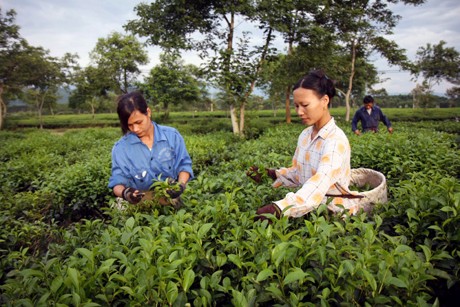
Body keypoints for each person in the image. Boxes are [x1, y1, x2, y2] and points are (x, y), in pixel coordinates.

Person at [248, 70, 363, 221]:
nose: (299, 112)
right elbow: (299, 174)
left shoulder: (335, 141)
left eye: (305, 105)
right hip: (307, 212)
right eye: (296, 106)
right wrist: (271, 174)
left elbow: (319, 183)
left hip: (332, 217)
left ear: (325, 101)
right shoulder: (305, 135)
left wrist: (279, 208)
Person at [108, 91, 193, 207]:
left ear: (148, 112)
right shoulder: (121, 148)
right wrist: (126, 193)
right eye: (130, 125)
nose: (135, 129)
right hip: (138, 204)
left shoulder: (172, 136)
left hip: (169, 198)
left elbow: (184, 165)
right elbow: (117, 182)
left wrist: (181, 185)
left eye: (138, 122)